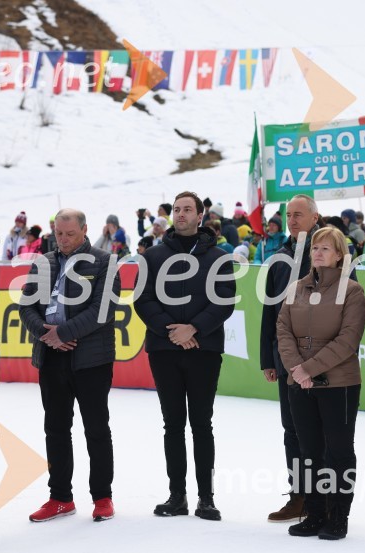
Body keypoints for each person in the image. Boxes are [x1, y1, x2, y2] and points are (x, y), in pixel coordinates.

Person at [133, 191, 235, 522]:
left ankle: (206, 498)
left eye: (187, 209)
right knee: (173, 423)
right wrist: (170, 331)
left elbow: (224, 301)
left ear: (200, 216)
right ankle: (177, 496)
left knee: (201, 423)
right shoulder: (153, 256)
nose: (180, 214)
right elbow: (143, 299)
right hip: (164, 350)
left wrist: (193, 329)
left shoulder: (218, 256)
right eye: (176, 209)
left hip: (203, 350)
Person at [19, 208, 120, 524]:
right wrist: (47, 336)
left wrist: (62, 333)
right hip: (52, 358)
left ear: (85, 230)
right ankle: (60, 497)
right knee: (56, 429)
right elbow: (26, 307)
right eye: (58, 234)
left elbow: (101, 310)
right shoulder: (43, 263)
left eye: (70, 234)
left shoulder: (104, 262)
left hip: (91, 360)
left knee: (96, 429)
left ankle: (102, 497)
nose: (62, 240)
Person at [276, 227, 365, 540]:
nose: (318, 253)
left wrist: (308, 369)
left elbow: (347, 340)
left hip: (338, 384)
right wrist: (296, 370)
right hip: (299, 383)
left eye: (326, 249)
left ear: (339, 255)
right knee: (309, 451)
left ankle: (338, 516)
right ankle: (314, 514)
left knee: (338, 451)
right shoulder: (296, 288)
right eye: (316, 247)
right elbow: (283, 331)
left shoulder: (352, 291)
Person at [260, 194, 320, 523]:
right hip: (285, 360)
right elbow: (269, 313)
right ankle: (298, 496)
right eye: (288, 215)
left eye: (299, 214)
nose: (292, 220)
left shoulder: (331, 254)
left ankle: (321, 499)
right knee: (292, 430)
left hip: (321, 362)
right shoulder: (279, 258)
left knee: (320, 431)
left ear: (315, 218)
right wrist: (267, 359)